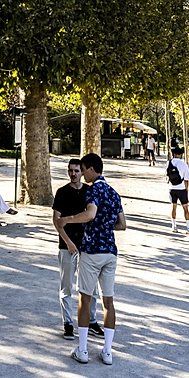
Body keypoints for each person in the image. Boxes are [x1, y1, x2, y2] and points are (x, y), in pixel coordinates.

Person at [58, 153, 125, 366]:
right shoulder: (114, 194)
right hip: (110, 252)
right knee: (108, 301)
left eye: (84, 169)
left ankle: (83, 348)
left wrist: (68, 219)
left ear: (91, 169)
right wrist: (105, 228)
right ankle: (107, 351)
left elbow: (90, 214)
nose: (83, 174)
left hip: (92, 251)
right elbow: (122, 224)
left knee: (85, 299)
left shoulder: (93, 189)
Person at [51, 158, 101, 340]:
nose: (73, 174)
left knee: (91, 287)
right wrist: (69, 243)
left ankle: (93, 321)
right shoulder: (62, 192)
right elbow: (57, 221)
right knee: (66, 287)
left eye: (77, 171)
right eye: (70, 170)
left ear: (82, 172)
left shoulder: (89, 192)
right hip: (67, 247)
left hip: (87, 247)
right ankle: (68, 323)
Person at [167, 147, 189, 233]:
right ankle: (188, 228)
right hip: (181, 188)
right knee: (185, 208)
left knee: (173, 208)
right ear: (181, 154)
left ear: (173, 154)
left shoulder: (168, 163)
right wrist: (186, 190)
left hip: (172, 188)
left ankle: (174, 226)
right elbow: (187, 179)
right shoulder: (183, 164)